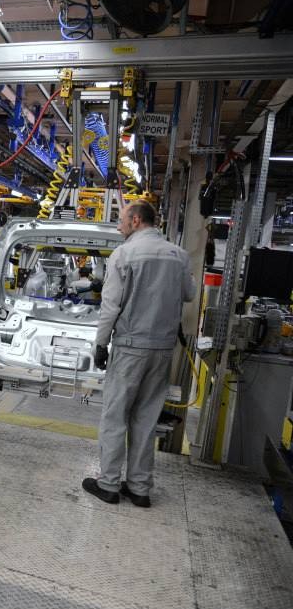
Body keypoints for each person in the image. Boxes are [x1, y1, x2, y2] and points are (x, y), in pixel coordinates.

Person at [82, 200, 195, 508]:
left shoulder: (124, 254)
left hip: (131, 347)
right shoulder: (179, 255)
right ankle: (140, 488)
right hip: (162, 349)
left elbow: (110, 307)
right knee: (146, 417)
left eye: (121, 219)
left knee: (115, 415)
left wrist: (100, 345)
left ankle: (107, 484)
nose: (119, 225)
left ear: (135, 220)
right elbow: (189, 294)